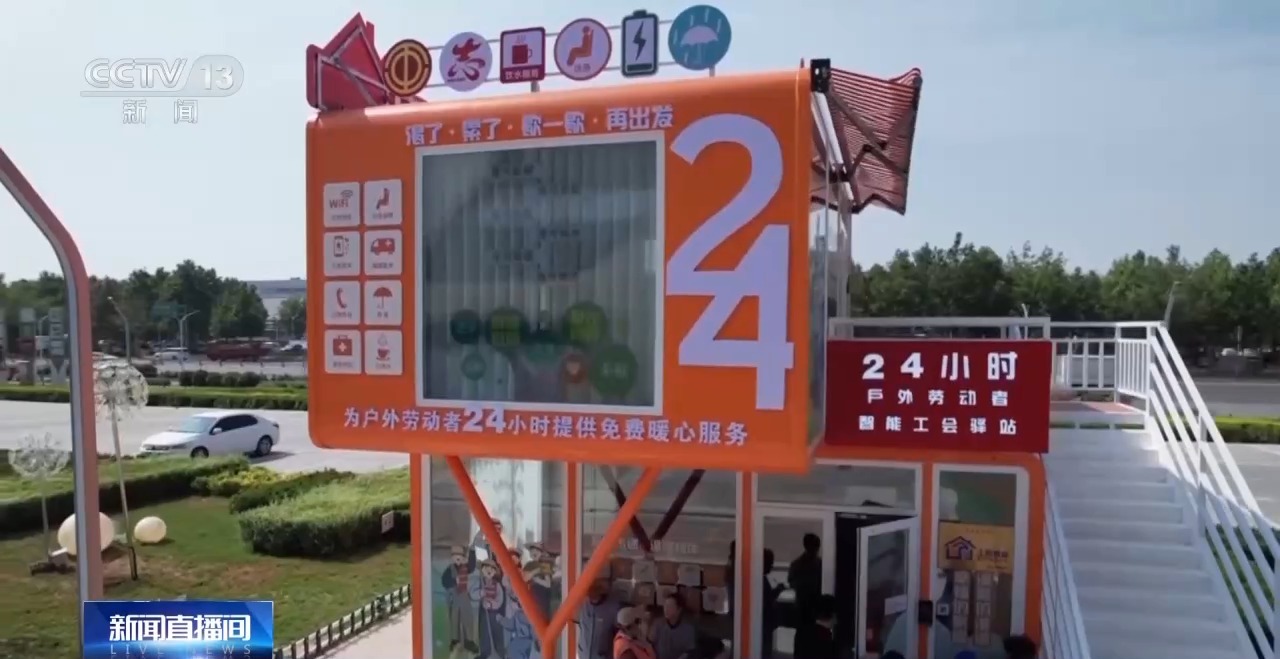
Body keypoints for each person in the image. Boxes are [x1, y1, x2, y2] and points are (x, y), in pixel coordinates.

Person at [439, 545, 479, 654]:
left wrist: (472, 551)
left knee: (467, 617)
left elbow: (472, 565)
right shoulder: (449, 569)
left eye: (460, 556)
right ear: (452, 557)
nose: (458, 558)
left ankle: (469, 641)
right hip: (454, 595)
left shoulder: (466, 567)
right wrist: (453, 581)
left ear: (463, 557)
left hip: (464, 594)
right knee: (454, 617)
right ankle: (454, 639)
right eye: (455, 556)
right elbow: (444, 581)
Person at [578, 580, 621, 659]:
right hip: (584, 656)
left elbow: (620, 635)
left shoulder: (613, 607)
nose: (590, 593)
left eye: (593, 588)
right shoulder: (584, 605)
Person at [787, 533, 822, 625]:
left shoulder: (796, 564)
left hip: (804, 605)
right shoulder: (820, 564)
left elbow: (791, 582)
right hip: (809, 606)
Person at [649, 593, 697, 659]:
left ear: (679, 610)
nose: (666, 609)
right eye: (665, 605)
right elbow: (649, 646)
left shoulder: (688, 629)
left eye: (670, 606)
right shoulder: (658, 624)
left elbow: (688, 652)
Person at [792, 594, 837, 659]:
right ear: (831, 615)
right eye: (835, 616)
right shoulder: (825, 636)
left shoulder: (801, 632)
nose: (836, 621)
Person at [760, 549, 786, 659]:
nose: (771, 566)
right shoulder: (761, 580)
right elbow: (767, 598)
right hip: (764, 624)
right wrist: (779, 590)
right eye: (770, 563)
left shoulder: (760, 578)